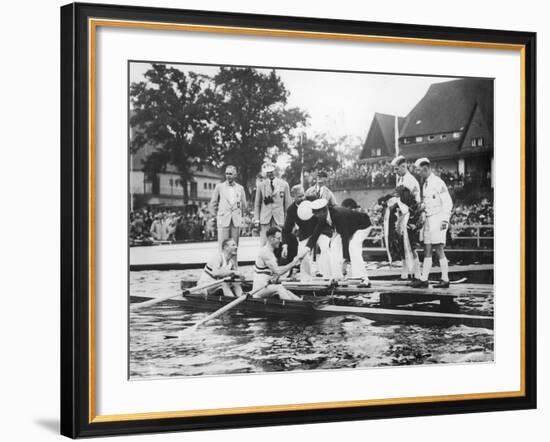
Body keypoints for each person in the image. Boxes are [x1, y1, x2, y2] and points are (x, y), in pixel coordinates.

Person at [306, 199, 372, 285]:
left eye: (316, 214)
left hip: (363, 225)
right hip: (349, 228)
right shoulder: (323, 217)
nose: (315, 216)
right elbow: (315, 234)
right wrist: (306, 249)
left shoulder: (338, 215)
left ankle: (362, 277)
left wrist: (345, 260)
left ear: (323, 211)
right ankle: (337, 276)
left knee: (353, 247)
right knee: (333, 245)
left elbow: (345, 237)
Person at [411, 157, 453, 288]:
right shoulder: (425, 183)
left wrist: (445, 220)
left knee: (439, 249)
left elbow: (448, 202)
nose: (418, 173)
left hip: (438, 219)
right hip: (429, 219)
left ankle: (445, 279)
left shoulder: (438, 182)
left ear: (425, 169)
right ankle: (424, 279)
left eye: (419, 170)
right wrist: (421, 207)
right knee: (427, 248)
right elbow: (428, 202)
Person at [390, 155, 422, 280]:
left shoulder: (411, 180)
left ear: (404, 166)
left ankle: (417, 273)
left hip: (411, 215)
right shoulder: (401, 179)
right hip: (401, 215)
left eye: (397, 169)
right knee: (400, 244)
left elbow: (415, 201)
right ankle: (404, 273)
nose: (395, 172)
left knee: (411, 245)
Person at [252, 226, 303, 300]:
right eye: (278, 238)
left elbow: (276, 272)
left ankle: (300, 302)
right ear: (271, 239)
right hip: (258, 290)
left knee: (286, 291)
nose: (280, 241)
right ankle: (292, 307)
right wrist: (293, 263)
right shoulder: (265, 252)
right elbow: (278, 271)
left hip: (267, 287)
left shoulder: (271, 253)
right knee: (279, 288)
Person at [280, 185, 319, 280]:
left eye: (303, 195)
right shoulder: (291, 210)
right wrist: (285, 245)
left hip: (320, 229)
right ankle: (306, 277)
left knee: (325, 247)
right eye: (299, 197)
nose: (303, 198)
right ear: (293, 197)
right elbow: (286, 230)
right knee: (302, 252)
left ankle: (327, 274)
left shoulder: (312, 200)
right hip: (305, 233)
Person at [210, 165, 247, 254]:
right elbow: (213, 203)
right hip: (223, 220)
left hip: (235, 220)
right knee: (223, 245)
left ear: (235, 175)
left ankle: (234, 266)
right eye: (226, 174)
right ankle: (223, 265)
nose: (228, 176)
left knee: (234, 245)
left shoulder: (240, 188)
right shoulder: (219, 187)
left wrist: (242, 218)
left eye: (230, 174)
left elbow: (244, 205)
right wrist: (217, 216)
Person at [254, 162, 292, 245]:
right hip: (265, 219)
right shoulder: (261, 185)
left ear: (275, 171)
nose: (270, 174)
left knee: (279, 242)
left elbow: (287, 204)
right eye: (268, 172)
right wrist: (256, 219)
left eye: (272, 171)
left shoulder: (284, 184)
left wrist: (288, 219)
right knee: (264, 243)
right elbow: (257, 204)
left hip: (279, 219)